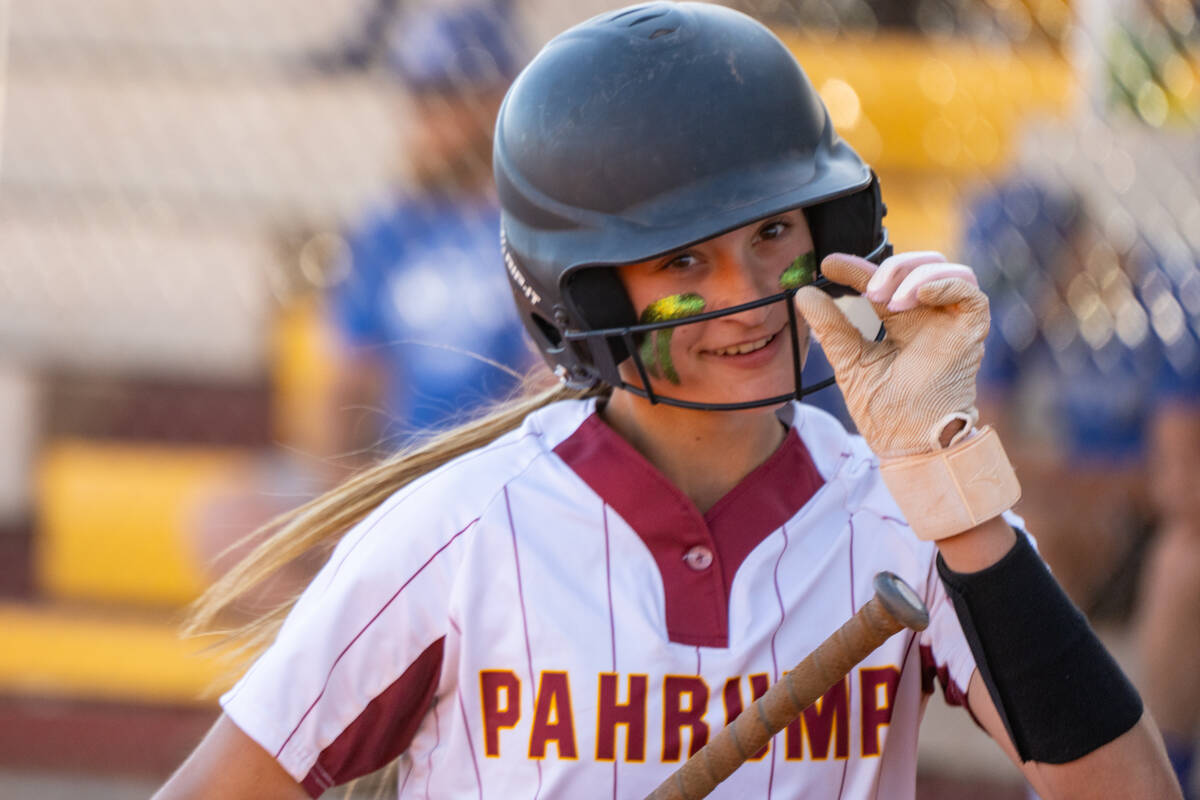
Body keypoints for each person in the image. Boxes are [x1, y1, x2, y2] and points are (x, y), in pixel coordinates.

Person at [154, 4, 1182, 798]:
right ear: (581, 293)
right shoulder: (459, 534)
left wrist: (955, 493)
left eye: (775, 234)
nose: (746, 292)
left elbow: (1126, 787)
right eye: (684, 257)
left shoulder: (914, 512)